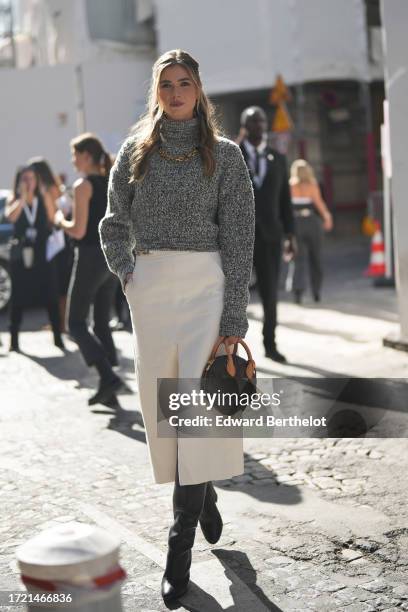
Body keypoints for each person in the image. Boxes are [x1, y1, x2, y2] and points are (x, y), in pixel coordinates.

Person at [99, 49, 255, 603]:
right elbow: (113, 222)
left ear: (199, 90)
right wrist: (128, 276)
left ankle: (178, 547)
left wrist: (234, 318)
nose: (175, 91)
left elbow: (239, 240)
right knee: (170, 418)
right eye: (166, 84)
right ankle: (202, 493)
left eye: (184, 82)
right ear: (156, 92)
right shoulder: (135, 152)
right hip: (154, 296)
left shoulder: (227, 157)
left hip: (207, 294)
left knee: (201, 414)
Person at [54, 133, 124, 405]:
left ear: (85, 156)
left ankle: (108, 378)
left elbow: (79, 229)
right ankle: (110, 392)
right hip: (111, 257)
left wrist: (61, 219)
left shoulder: (83, 185)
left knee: (75, 323)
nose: (72, 161)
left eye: (74, 155)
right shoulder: (111, 180)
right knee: (101, 322)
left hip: (90, 257)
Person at [239, 106, 296, 363]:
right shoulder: (232, 155)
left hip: (271, 235)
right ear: (245, 126)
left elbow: (285, 200)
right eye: (252, 122)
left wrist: (290, 235)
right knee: (233, 294)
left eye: (261, 121)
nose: (258, 125)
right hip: (238, 237)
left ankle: (270, 344)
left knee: (271, 293)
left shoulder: (278, 158)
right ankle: (229, 349)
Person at [5, 166, 64, 352]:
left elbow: (53, 217)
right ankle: (14, 340)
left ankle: (57, 336)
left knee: (50, 293)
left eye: (31, 178)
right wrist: (23, 198)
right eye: (25, 179)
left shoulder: (43, 196)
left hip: (41, 253)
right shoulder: (14, 199)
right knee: (18, 296)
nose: (29, 182)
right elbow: (10, 217)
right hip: (21, 254)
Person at [28, 157, 74, 332]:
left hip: (57, 241)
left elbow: (51, 216)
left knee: (60, 285)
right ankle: (60, 323)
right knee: (59, 284)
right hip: (60, 240)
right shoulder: (54, 187)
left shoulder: (48, 189)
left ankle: (62, 324)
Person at [289, 159, 333, 303]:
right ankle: (316, 291)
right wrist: (327, 217)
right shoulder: (312, 185)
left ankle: (298, 292)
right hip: (312, 223)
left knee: (298, 259)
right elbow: (319, 203)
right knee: (316, 258)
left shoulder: (291, 186)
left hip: (296, 223)